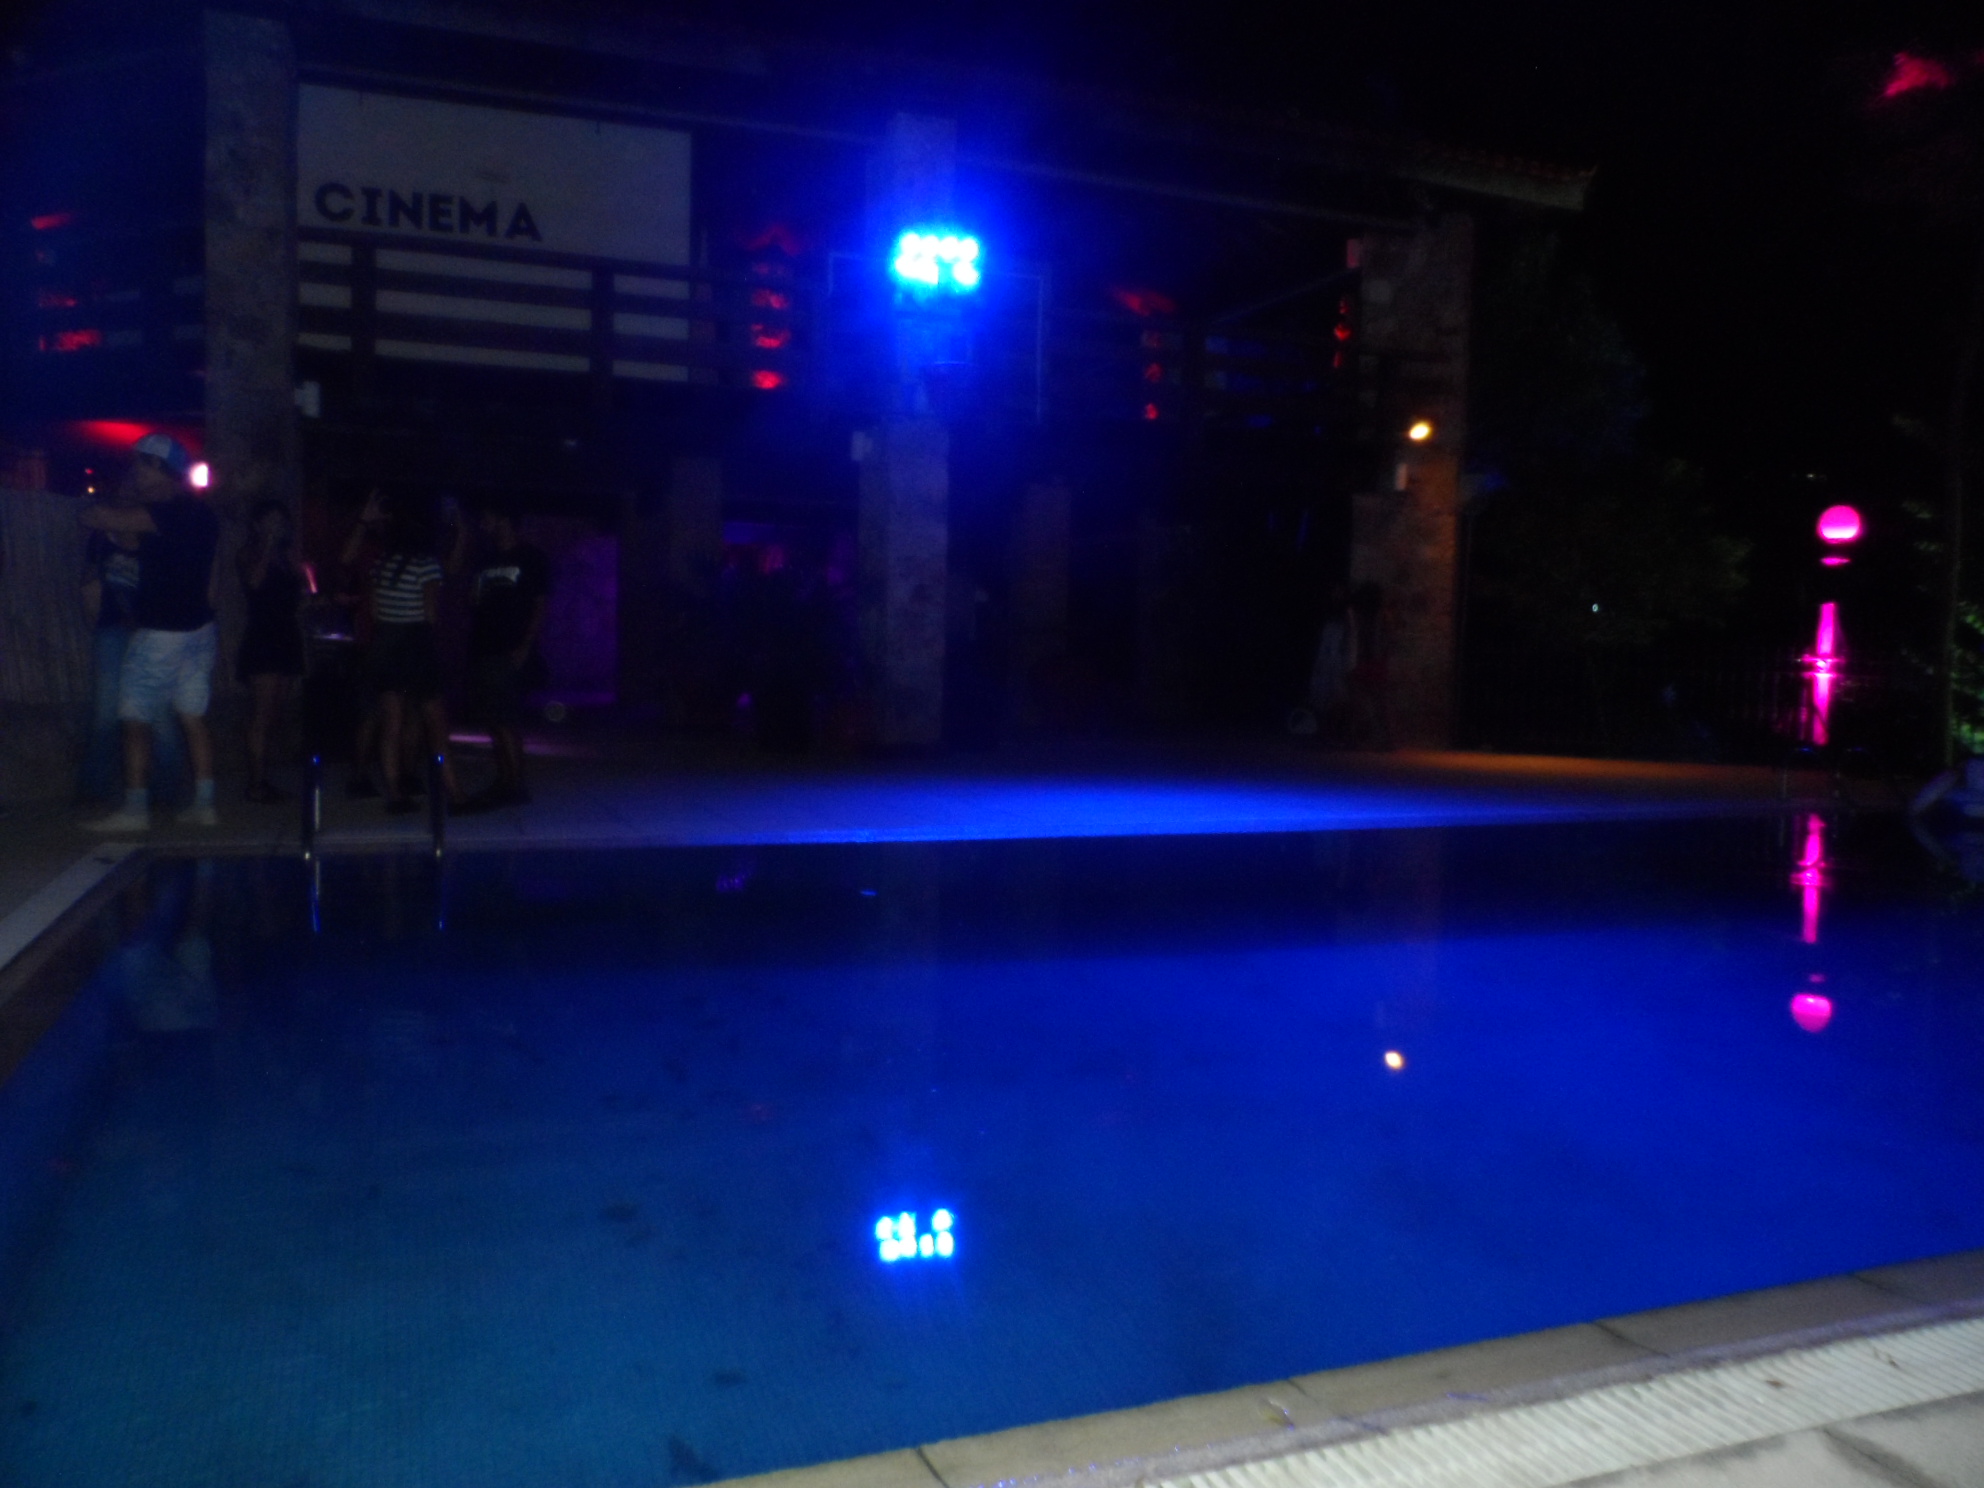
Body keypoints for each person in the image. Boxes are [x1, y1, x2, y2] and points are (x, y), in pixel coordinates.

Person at [82, 433, 221, 831]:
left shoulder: (167, 511)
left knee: (134, 717)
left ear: (163, 470)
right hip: (199, 630)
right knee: (192, 716)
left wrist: (106, 506)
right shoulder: (201, 513)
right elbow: (136, 541)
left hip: (162, 632)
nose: (136, 473)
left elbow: (97, 517)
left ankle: (135, 809)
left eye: (144, 465)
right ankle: (204, 804)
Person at [79, 472, 183, 805]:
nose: (125, 500)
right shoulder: (102, 540)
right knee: (106, 710)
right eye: (121, 495)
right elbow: (90, 583)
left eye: (132, 495)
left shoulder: (155, 539)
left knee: (160, 713)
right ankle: (95, 788)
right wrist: (94, 620)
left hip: (152, 631)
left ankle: (167, 789)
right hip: (112, 629)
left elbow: (171, 588)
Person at [355, 491, 461, 815]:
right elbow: (430, 613)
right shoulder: (427, 565)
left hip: (385, 643)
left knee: (392, 723)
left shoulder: (382, 565)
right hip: (415, 644)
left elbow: (374, 610)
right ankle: (455, 793)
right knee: (435, 723)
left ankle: (395, 794)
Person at [454, 498, 548, 810]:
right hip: (483, 646)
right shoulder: (486, 558)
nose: (484, 524)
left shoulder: (530, 557)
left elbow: (540, 605)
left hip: (509, 648)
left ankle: (516, 783)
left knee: (506, 718)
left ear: (505, 520)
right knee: (492, 718)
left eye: (488, 518)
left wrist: (525, 646)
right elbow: (471, 596)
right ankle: (505, 778)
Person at [236, 499, 305, 802]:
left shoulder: (287, 556)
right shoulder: (248, 553)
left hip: (286, 634)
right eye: (271, 520)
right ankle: (256, 784)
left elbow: (297, 594)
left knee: (276, 713)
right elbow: (254, 582)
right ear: (257, 524)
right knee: (262, 713)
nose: (278, 526)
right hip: (262, 635)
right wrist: (266, 543)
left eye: (281, 521)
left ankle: (262, 774)